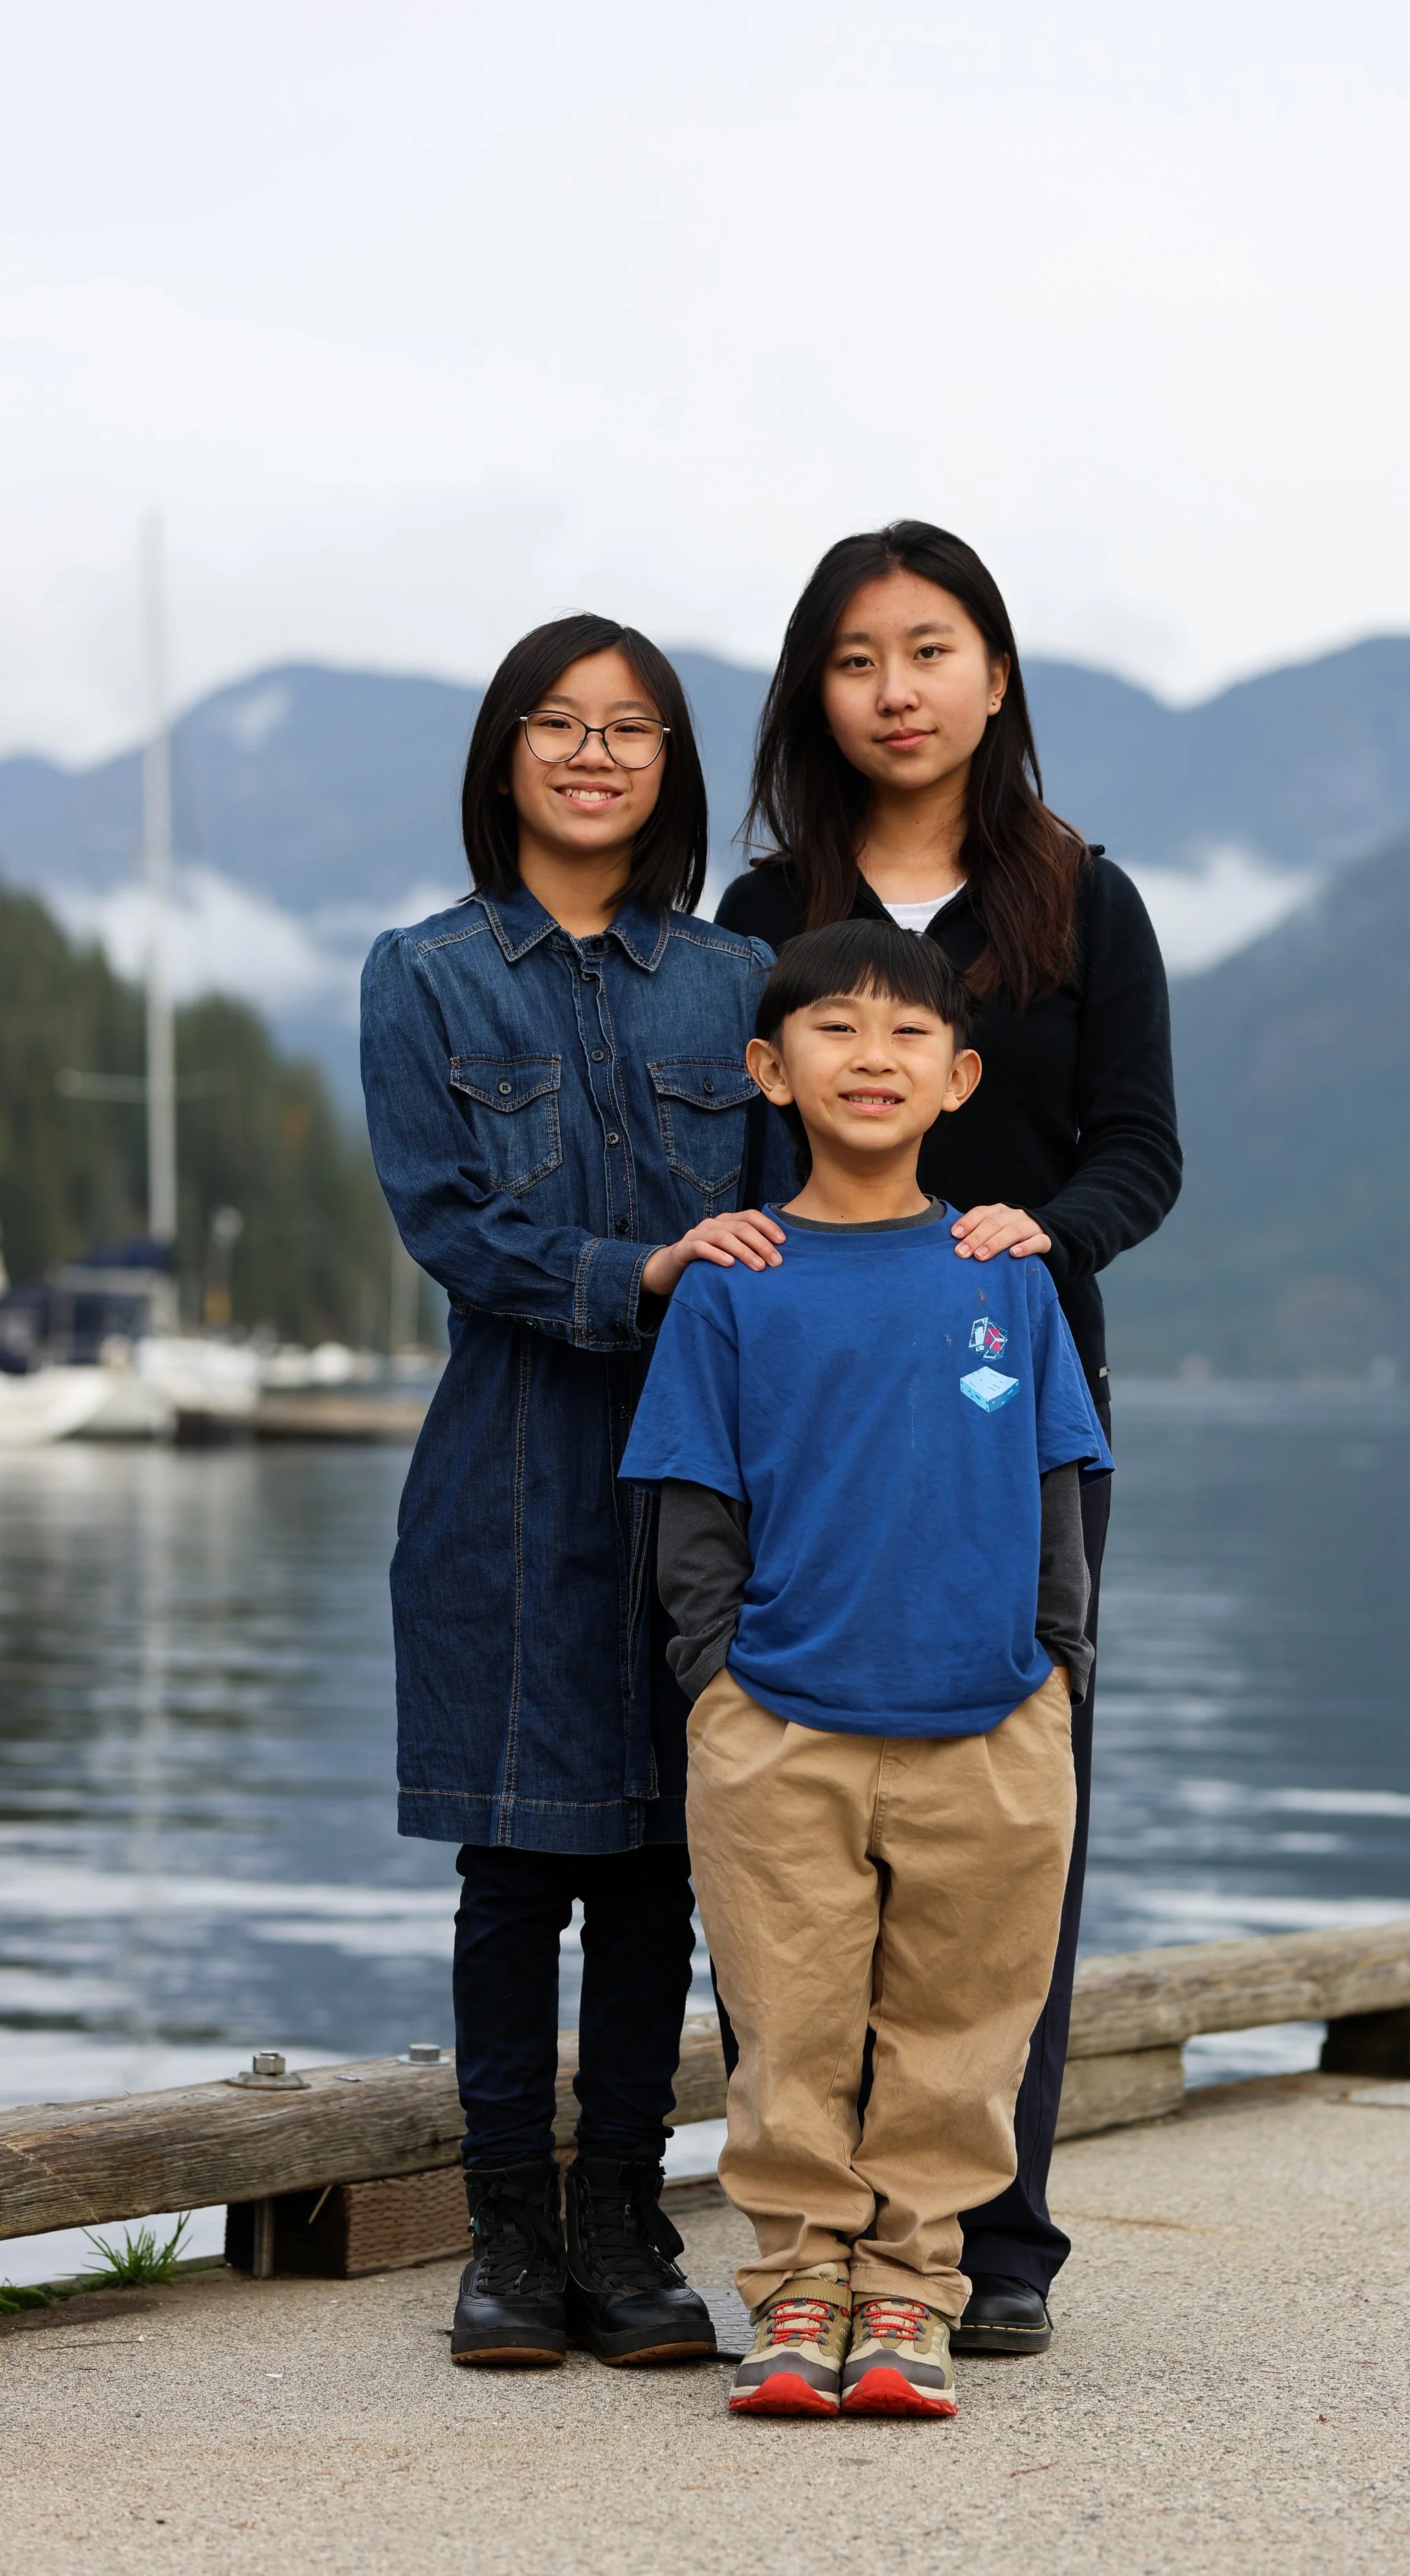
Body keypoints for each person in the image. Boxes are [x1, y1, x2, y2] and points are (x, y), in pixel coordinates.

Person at [715, 521, 1180, 2350]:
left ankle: (997, 2238)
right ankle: (820, 2237)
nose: (892, 689)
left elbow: (1139, 1150)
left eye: (926, 649)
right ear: (811, 695)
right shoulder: (757, 924)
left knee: (1012, 1816)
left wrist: (1042, 1232)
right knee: (789, 1835)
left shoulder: (1084, 898)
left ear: (993, 673)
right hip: (797, 1420)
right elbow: (726, 1164)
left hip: (1017, 1424)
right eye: (852, 658)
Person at [361, 614, 795, 2370]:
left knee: (658, 1869)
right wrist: (640, 1273)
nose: (594, 753)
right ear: (506, 756)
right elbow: (450, 1224)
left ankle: (627, 2222)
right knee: (511, 1866)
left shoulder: (728, 986)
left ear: (671, 767)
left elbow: (785, 1218)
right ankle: (506, 2239)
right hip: (508, 1471)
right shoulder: (424, 971)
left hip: (696, 1476)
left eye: (630, 729)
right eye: (558, 723)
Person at [620, 919, 1112, 2417]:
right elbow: (690, 1508)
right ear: (769, 1069)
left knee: (962, 2032)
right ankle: (795, 2287)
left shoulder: (1003, 1270)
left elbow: (1058, 1489)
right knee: (791, 2024)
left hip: (990, 1724)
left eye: (908, 1035)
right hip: (778, 1729)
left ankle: (908, 2293)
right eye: (834, 1029)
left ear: (960, 1077)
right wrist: (719, 1683)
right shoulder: (733, 1281)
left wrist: (1054, 1676)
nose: (872, 1056)